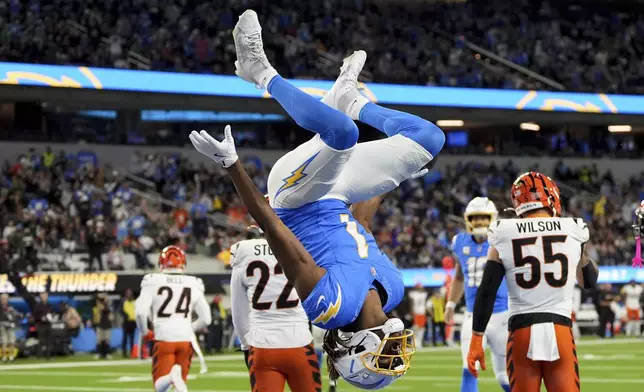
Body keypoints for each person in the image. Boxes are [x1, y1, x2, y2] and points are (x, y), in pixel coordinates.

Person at [190, 10, 444, 389]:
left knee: (342, 134)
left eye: (384, 358)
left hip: (294, 199)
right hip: (338, 195)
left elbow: (275, 230)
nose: (397, 350)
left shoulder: (332, 307)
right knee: (428, 139)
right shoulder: (393, 287)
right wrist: (392, 178)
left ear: (359, 349)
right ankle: (350, 98)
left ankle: (258, 70)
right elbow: (360, 227)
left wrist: (232, 165)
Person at [466, 172, 599, 392]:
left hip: (522, 331)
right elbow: (590, 281)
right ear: (552, 197)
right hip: (560, 330)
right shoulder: (573, 228)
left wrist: (476, 338)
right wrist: (580, 250)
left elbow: (487, 291)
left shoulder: (503, 231)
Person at [230, 225, 321, 392]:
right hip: (299, 341)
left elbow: (239, 312)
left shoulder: (243, 254)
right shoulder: (298, 246)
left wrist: (245, 345)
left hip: (262, 345)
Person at [445, 197, 510, 392]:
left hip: (503, 315)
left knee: (505, 375)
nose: (480, 222)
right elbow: (459, 276)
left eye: (484, 218)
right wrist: (450, 304)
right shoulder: (459, 242)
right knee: (469, 367)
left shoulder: (503, 240)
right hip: (472, 314)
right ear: (468, 220)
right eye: (476, 218)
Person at [135, 245, 211, 392]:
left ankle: (170, 378)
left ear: (161, 263)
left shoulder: (152, 280)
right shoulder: (193, 282)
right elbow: (206, 319)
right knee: (181, 385)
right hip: (185, 340)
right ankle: (174, 379)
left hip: (164, 338)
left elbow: (140, 312)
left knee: (160, 386)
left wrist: (145, 332)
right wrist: (189, 327)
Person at [0, 293, 22, 362]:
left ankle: (11, 356)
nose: (4, 300)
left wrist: (19, 315)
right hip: (2, 326)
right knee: (4, 342)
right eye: (3, 299)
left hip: (10, 326)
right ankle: (4, 357)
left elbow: (15, 315)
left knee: (12, 342)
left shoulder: (10, 307)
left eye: (6, 299)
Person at [93, 293, 114, 359]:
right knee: (99, 340)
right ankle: (99, 353)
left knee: (107, 340)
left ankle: (107, 354)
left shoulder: (109, 305)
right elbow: (99, 308)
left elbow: (111, 315)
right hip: (100, 324)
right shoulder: (99, 304)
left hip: (107, 325)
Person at [407, 283, 429, 348]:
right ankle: (413, 341)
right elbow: (411, 303)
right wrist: (411, 312)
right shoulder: (413, 294)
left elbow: (425, 304)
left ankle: (418, 342)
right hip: (416, 312)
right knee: (416, 328)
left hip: (422, 312)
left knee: (421, 328)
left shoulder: (423, 294)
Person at [120, 288, 137, 357]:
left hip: (133, 322)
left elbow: (136, 309)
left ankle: (132, 352)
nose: (129, 294)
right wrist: (126, 316)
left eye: (130, 292)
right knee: (125, 338)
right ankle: (124, 353)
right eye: (128, 292)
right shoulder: (123, 301)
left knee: (132, 339)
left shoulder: (134, 301)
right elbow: (120, 310)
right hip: (126, 322)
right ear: (126, 293)